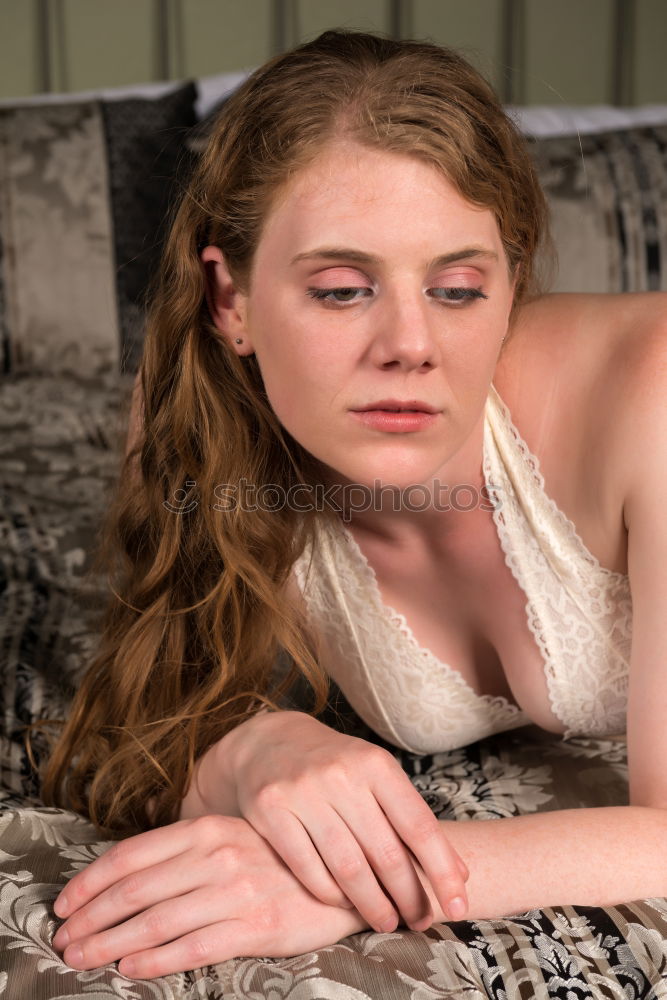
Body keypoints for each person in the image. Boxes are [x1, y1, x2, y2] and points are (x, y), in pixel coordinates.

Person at [39, 27, 666, 981]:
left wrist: (363, 883)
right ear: (231, 301)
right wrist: (258, 747)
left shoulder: (647, 400)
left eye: (457, 288)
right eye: (340, 290)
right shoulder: (195, 438)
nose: (410, 344)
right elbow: (146, 717)